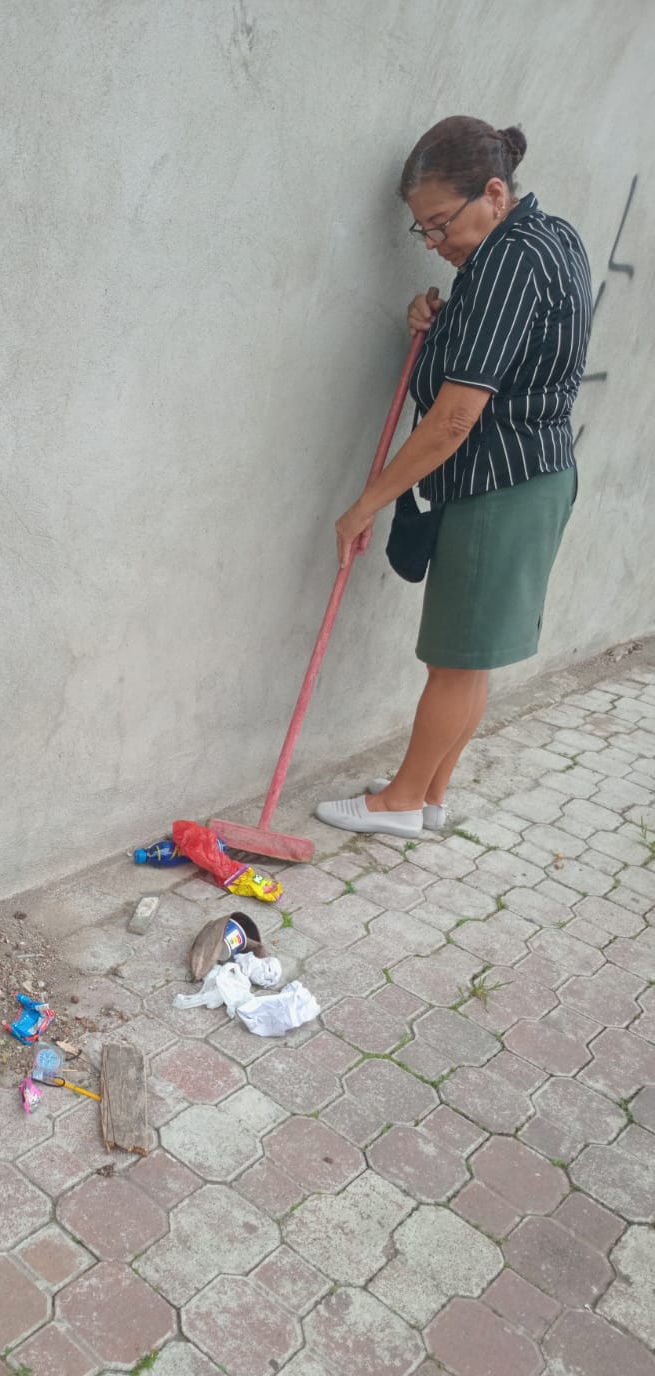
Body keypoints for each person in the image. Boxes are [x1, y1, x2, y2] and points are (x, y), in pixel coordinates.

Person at [315, 117, 591, 840]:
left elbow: (453, 419)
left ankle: (400, 802)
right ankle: (431, 795)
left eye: (440, 224)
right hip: (531, 479)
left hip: (497, 487)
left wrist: (366, 504)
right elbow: (507, 347)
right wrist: (436, 321)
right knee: (470, 661)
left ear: (494, 193)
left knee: (453, 662)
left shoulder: (510, 261)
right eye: (424, 231)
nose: (435, 243)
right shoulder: (545, 238)